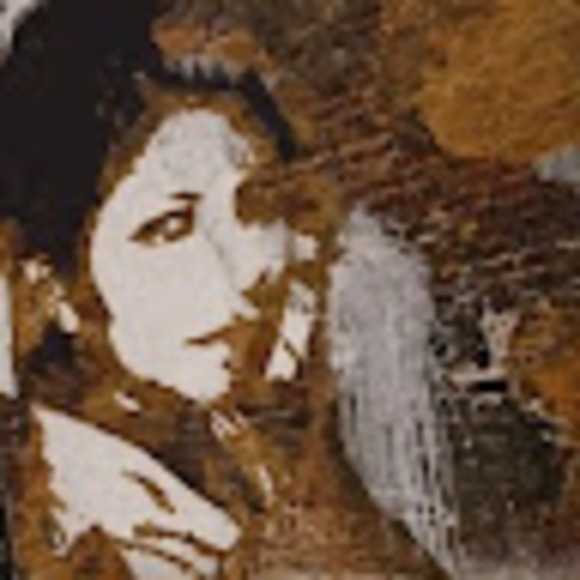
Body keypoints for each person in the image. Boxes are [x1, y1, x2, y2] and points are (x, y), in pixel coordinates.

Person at [0, 3, 450, 578]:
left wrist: (310, 454)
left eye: (255, 207)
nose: (240, 271)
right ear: (51, 288)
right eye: (168, 227)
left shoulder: (240, 450)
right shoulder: (74, 511)